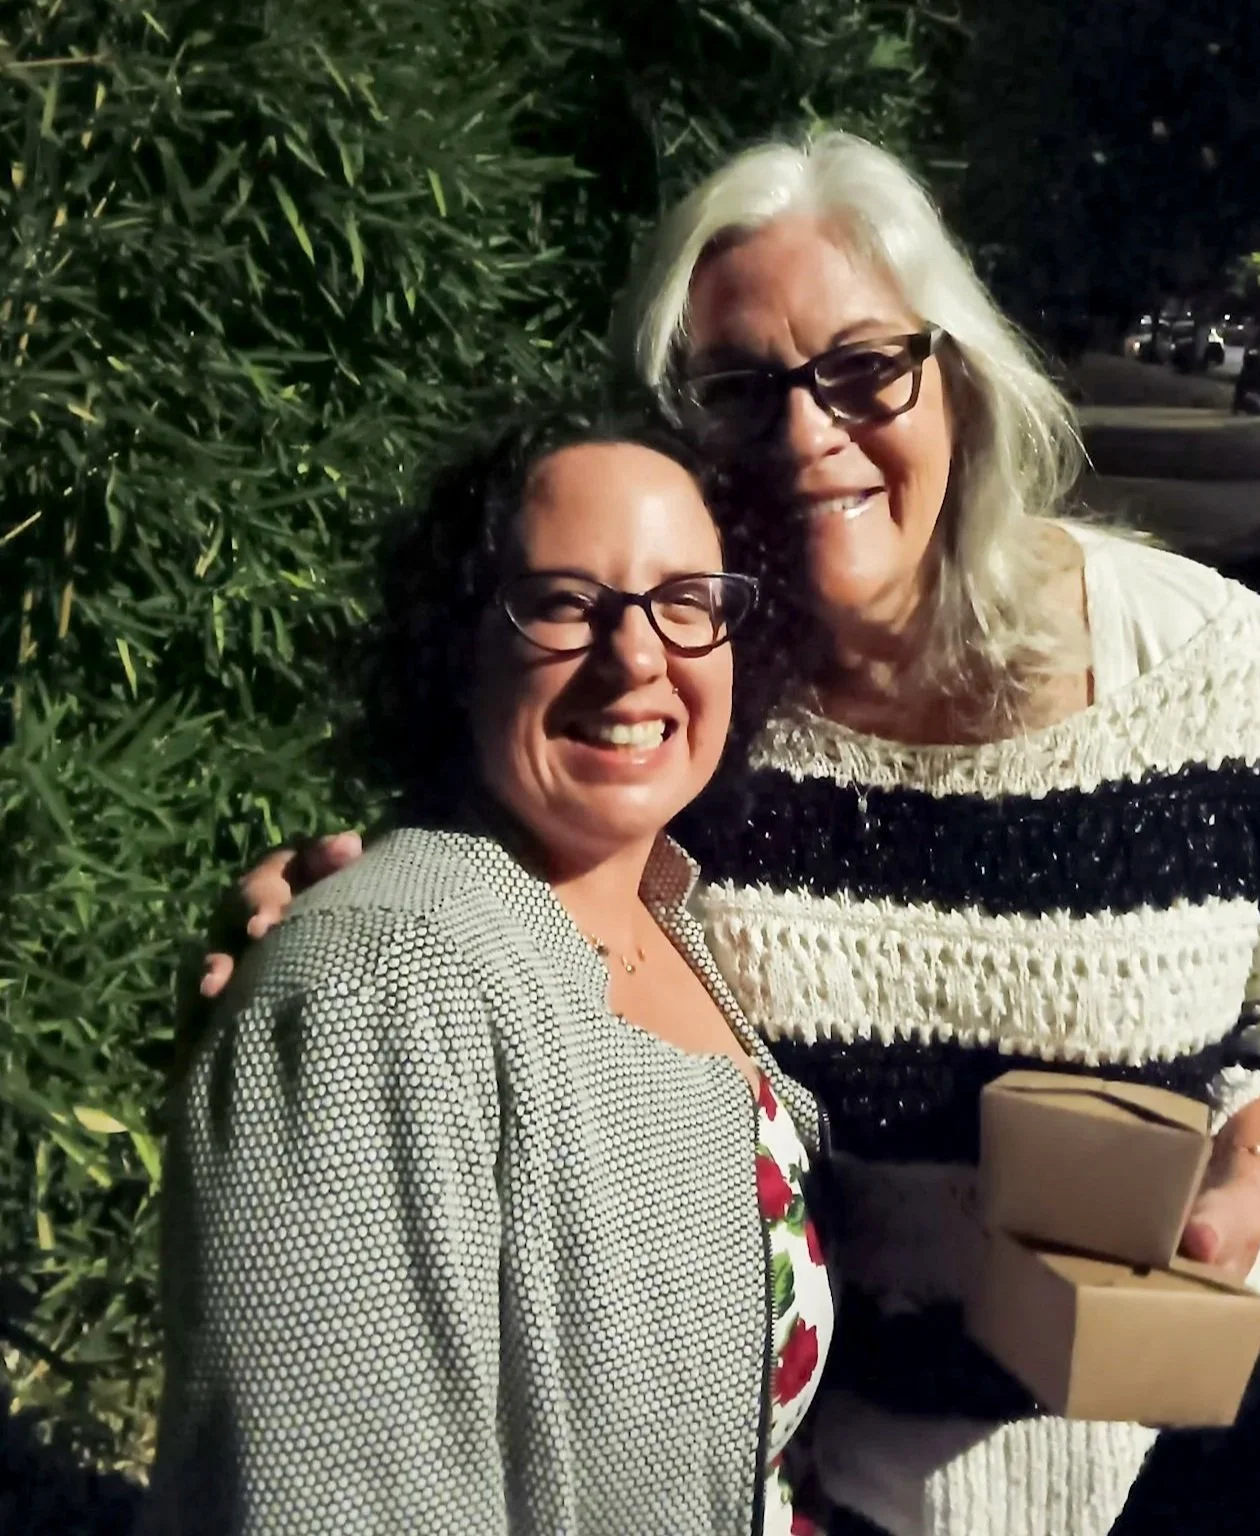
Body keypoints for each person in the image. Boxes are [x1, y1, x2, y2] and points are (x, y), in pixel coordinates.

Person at [210, 133, 1260, 1536]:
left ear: (955, 373)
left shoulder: (1199, 667)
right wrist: (353, 919)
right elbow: (516, 887)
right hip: (787, 1488)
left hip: (1142, 1484)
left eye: (862, 369)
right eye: (739, 392)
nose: (804, 436)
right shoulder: (691, 704)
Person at [145, 422, 833, 1536]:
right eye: (565, 602)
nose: (638, 656)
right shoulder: (379, 988)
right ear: (459, 641)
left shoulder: (668, 916)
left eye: (686, 600)